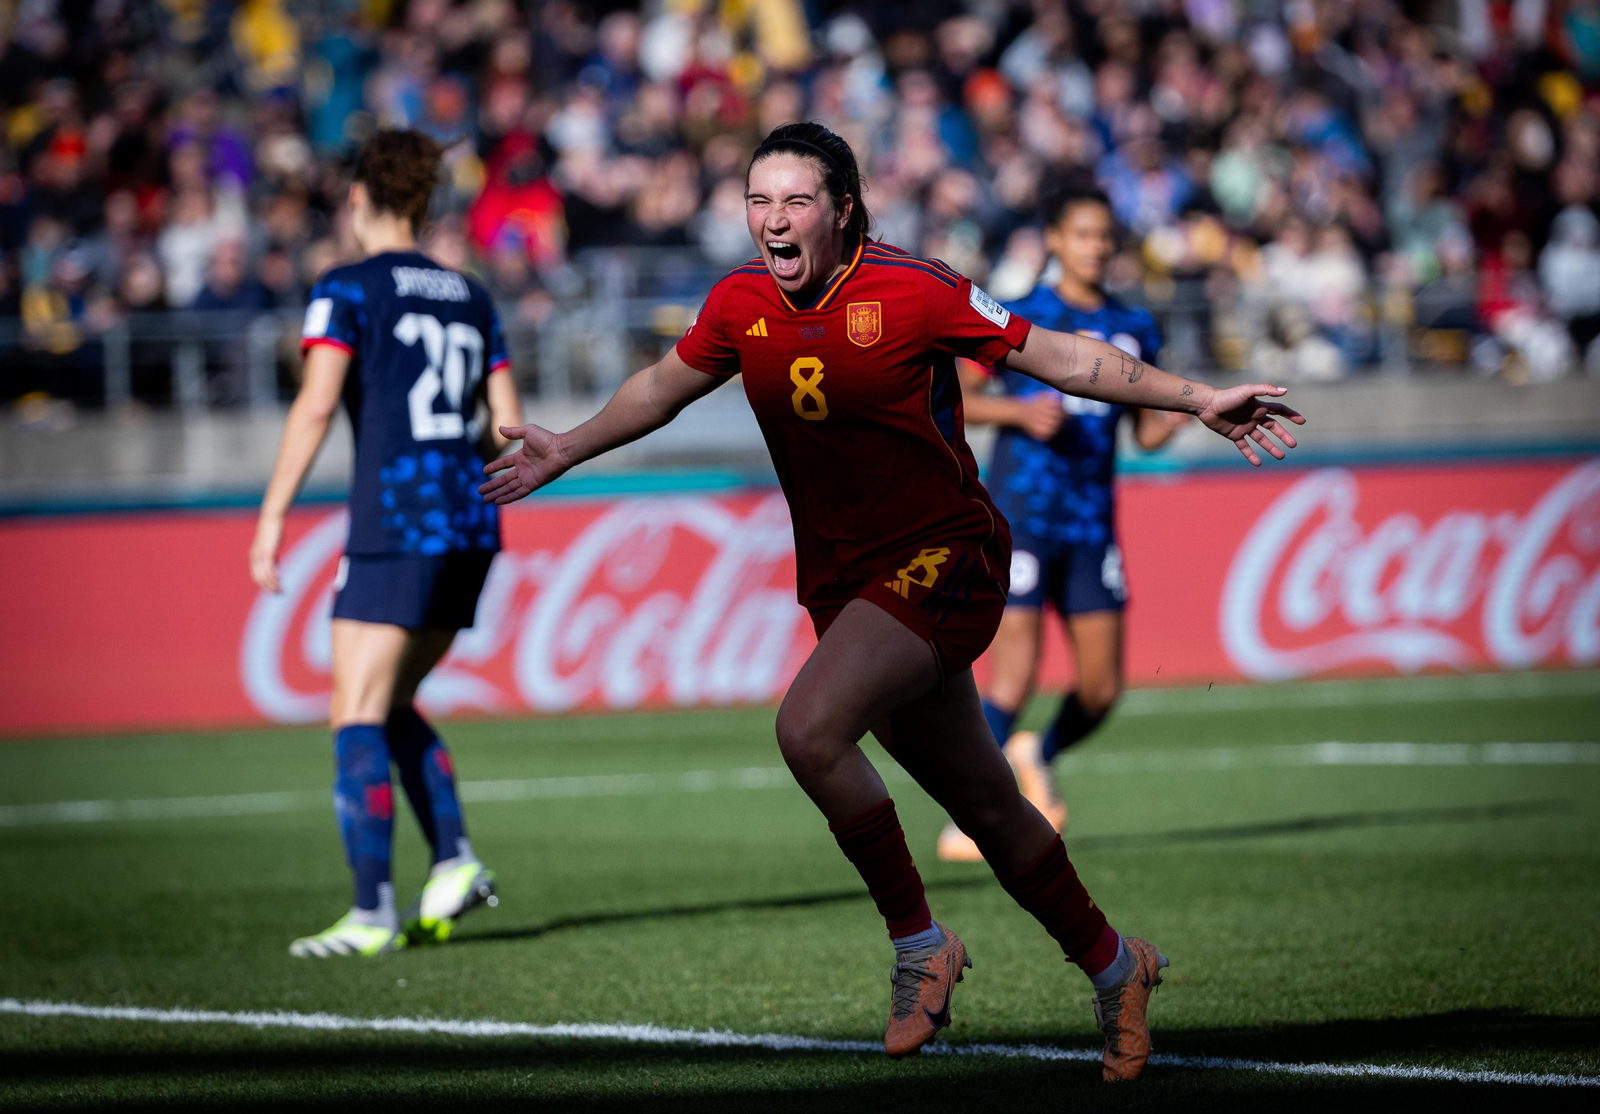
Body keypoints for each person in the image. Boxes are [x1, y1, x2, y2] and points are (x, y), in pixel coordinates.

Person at [479, 122, 1302, 1080]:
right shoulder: (740, 302)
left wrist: (1196, 396)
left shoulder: (915, 288)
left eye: (794, 202)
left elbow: (1063, 359)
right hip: (848, 583)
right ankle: (1120, 968)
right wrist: (567, 446)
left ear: (842, 209)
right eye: (758, 201)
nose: (772, 221)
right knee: (987, 803)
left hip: (947, 558)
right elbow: (662, 387)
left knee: (809, 729)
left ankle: (920, 945)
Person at [249, 130, 523, 957]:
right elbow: (503, 426)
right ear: (426, 201)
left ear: (359, 198)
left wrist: (270, 519)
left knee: (355, 713)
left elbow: (314, 406)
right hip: (470, 517)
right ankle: (453, 862)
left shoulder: (344, 287)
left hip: (395, 519)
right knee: (390, 701)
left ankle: (370, 912)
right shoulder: (471, 294)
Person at [936, 181, 1187, 863]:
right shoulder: (1023, 317)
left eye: (1106, 236)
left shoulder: (1136, 327)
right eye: (1083, 234)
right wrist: (1017, 413)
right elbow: (955, 400)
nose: (1097, 248)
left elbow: (1145, 431)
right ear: (1054, 240)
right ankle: (972, 816)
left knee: (1103, 689)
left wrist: (1195, 413)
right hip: (1023, 519)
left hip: (1093, 526)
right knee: (1012, 679)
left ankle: (1033, 754)